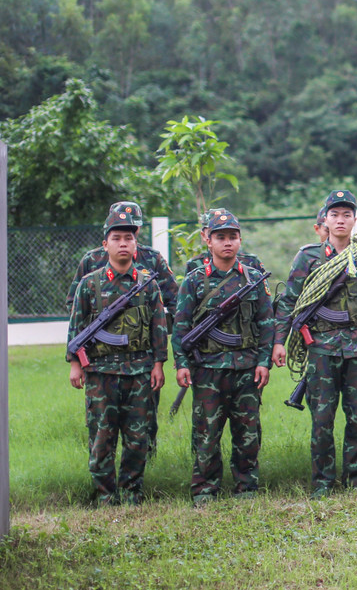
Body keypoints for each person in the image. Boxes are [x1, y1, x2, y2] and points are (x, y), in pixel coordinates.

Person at [272, 189, 357, 497]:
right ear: (325, 220)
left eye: (347, 215)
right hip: (321, 348)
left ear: (354, 220)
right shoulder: (308, 257)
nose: (341, 220)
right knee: (322, 419)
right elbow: (289, 302)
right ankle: (322, 482)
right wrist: (279, 342)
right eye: (335, 214)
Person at [66, 205, 168, 506]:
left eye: (128, 238)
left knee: (137, 438)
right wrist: (75, 364)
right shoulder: (90, 284)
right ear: (105, 245)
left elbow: (158, 326)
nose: (123, 243)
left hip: (138, 371)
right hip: (100, 372)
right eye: (117, 238)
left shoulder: (147, 284)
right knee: (101, 437)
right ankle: (105, 496)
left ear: (136, 244)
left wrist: (158, 364)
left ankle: (132, 492)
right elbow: (77, 326)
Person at [171, 210, 273, 506]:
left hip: (246, 368)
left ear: (240, 240)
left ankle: (247, 488)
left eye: (232, 237)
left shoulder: (253, 280)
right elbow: (181, 326)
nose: (227, 243)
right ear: (208, 240)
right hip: (207, 369)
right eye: (220, 237)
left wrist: (264, 361)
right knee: (206, 433)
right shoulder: (194, 281)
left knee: (248, 433)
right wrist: (181, 363)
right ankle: (204, 490)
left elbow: (267, 323)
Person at [182, 207, 265, 277]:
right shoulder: (195, 264)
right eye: (211, 231)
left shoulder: (250, 261)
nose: (227, 242)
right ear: (204, 236)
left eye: (232, 237)